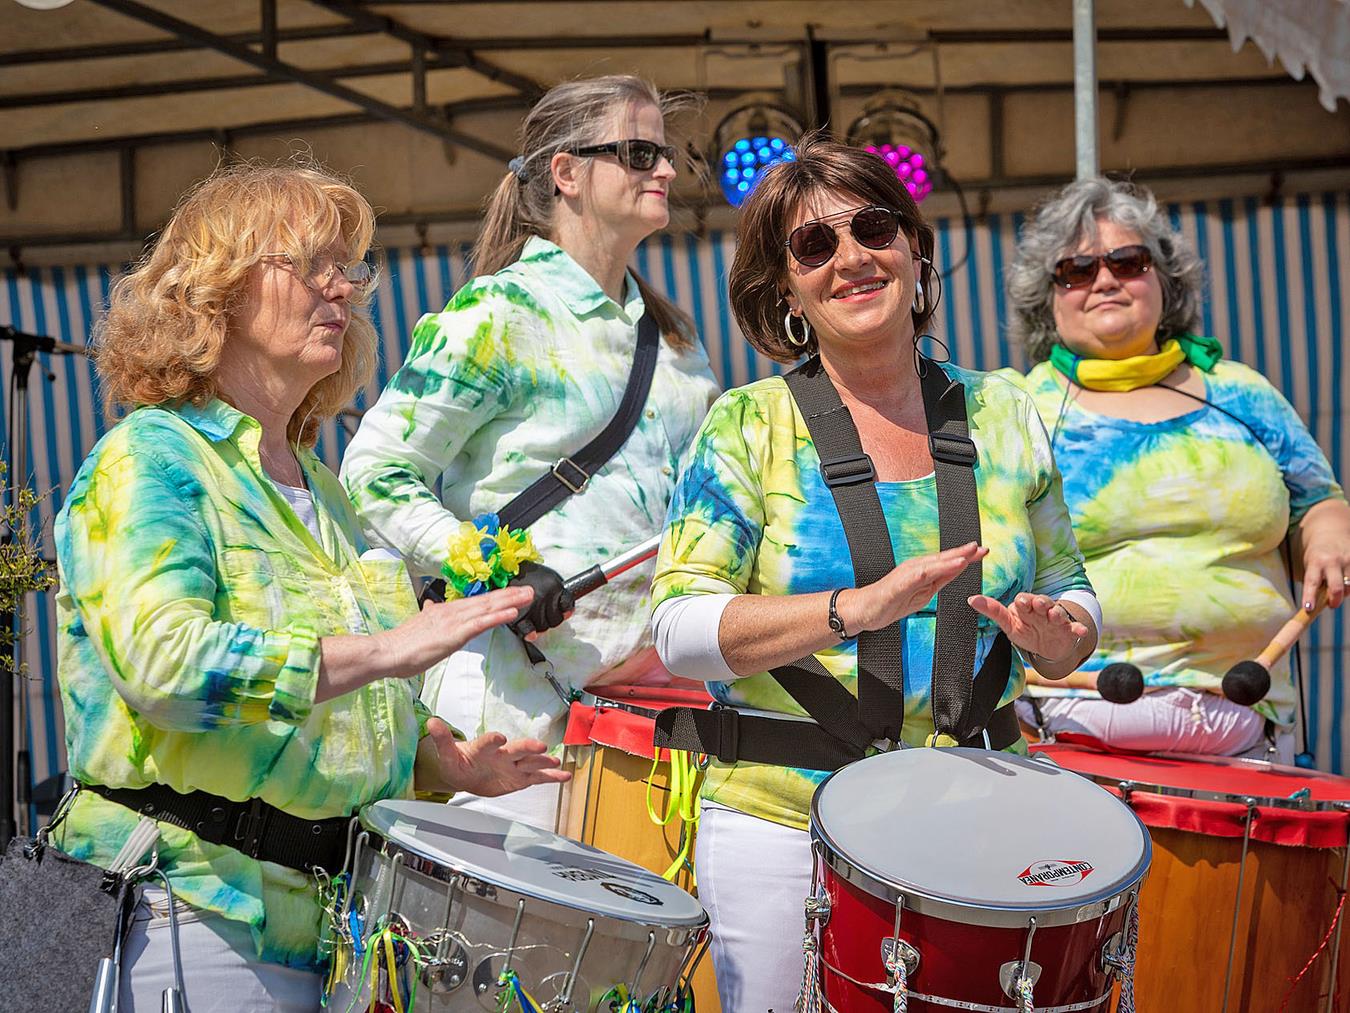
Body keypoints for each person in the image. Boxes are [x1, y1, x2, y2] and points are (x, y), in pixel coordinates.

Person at [52, 163, 568, 1012]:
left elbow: (336, 700)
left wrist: (436, 756)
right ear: (216, 290)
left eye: (349, 267)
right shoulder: (150, 458)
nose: (344, 287)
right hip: (189, 909)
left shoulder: (322, 490)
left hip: (328, 931)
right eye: (310, 263)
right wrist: (389, 648)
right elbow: (162, 667)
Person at [647, 136, 1100, 1013]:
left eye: (874, 227)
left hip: (987, 809)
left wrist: (1061, 636)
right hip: (785, 824)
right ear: (786, 291)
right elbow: (679, 630)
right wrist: (850, 609)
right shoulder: (745, 425)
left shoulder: (1005, 410)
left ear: (915, 251)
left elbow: (1072, 588)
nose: (852, 256)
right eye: (815, 245)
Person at [340, 75, 720, 830]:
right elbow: (373, 472)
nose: (668, 170)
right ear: (567, 172)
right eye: (640, 152)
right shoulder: (497, 312)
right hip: (515, 708)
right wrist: (495, 567)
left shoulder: (675, 337)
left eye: (667, 153)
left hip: (659, 714)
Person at [1006, 177, 1350, 760]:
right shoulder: (1016, 409)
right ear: (1048, 298)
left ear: (1165, 280)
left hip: (1247, 720)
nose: (1105, 280)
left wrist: (1328, 528)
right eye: (1076, 270)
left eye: (1128, 261)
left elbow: (1316, 500)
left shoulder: (1241, 392)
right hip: (1061, 724)